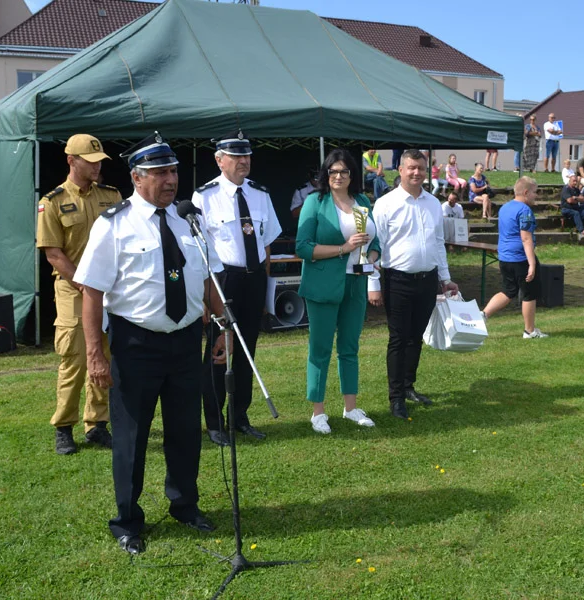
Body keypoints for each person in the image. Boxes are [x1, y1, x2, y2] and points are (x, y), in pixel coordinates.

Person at [75, 132, 228, 555]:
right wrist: (94, 353)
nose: (170, 180)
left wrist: (223, 327)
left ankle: (185, 505)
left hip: (183, 342)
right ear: (137, 178)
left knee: (184, 431)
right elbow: (91, 291)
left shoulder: (189, 220)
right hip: (136, 344)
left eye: (174, 171)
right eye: (160, 173)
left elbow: (208, 278)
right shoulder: (115, 224)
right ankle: (127, 520)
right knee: (131, 436)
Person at [192, 129, 282, 446]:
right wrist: (205, 297)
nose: (243, 161)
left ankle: (239, 416)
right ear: (219, 159)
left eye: (246, 155)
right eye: (236, 155)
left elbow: (266, 243)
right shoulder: (204, 197)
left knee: (247, 350)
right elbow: (198, 250)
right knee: (219, 350)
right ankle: (214, 422)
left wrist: (264, 283)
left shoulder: (260, 194)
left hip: (253, 277)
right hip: (222, 279)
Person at [36, 134, 121, 455]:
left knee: (106, 354)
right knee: (75, 358)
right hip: (73, 290)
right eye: (91, 161)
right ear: (72, 160)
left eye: (100, 162)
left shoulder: (112, 196)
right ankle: (64, 426)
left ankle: (97, 424)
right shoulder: (53, 202)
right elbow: (54, 254)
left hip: (109, 290)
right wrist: (87, 285)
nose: (98, 167)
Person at [295, 149, 381, 434]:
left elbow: (374, 241)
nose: (339, 176)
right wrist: (343, 249)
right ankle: (317, 412)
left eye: (344, 171)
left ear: (352, 175)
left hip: (356, 282)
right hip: (323, 285)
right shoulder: (314, 202)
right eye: (333, 171)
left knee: (350, 347)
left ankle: (351, 407)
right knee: (319, 350)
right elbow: (303, 247)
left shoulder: (363, 201)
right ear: (326, 174)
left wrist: (372, 256)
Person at [372, 150, 459, 418]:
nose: (416, 173)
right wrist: (373, 282)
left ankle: (409, 387)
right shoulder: (385, 204)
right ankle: (396, 397)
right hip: (397, 279)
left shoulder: (433, 203)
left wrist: (445, 278)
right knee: (398, 338)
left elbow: (437, 243)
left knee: (416, 337)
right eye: (411, 168)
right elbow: (375, 247)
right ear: (399, 170)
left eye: (421, 168)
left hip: (428, 279)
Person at [482, 177, 548, 338]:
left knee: (508, 291)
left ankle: (482, 315)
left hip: (505, 258)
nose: (536, 196)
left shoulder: (505, 207)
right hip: (520, 258)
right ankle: (530, 331)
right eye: (534, 192)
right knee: (529, 294)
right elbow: (526, 238)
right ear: (525, 192)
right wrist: (532, 264)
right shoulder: (524, 210)